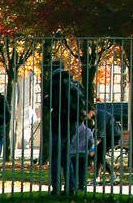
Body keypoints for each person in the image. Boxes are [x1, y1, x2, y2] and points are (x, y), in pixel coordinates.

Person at [43, 64, 84, 196]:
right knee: (66, 156)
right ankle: (70, 186)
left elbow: (50, 103)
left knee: (55, 157)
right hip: (71, 123)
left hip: (58, 123)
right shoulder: (73, 84)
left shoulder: (55, 82)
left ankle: (56, 187)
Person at [91, 101, 120, 184]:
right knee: (98, 155)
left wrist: (93, 148)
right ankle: (97, 177)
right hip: (108, 136)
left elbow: (100, 134)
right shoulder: (98, 114)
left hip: (112, 137)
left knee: (99, 154)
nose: (86, 117)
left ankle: (113, 175)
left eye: (86, 114)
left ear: (91, 111)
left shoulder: (100, 116)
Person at [68, 110, 96, 193]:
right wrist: (91, 153)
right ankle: (81, 186)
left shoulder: (71, 130)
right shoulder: (88, 131)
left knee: (73, 171)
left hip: (72, 154)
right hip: (83, 154)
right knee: (82, 171)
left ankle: (72, 185)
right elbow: (92, 144)